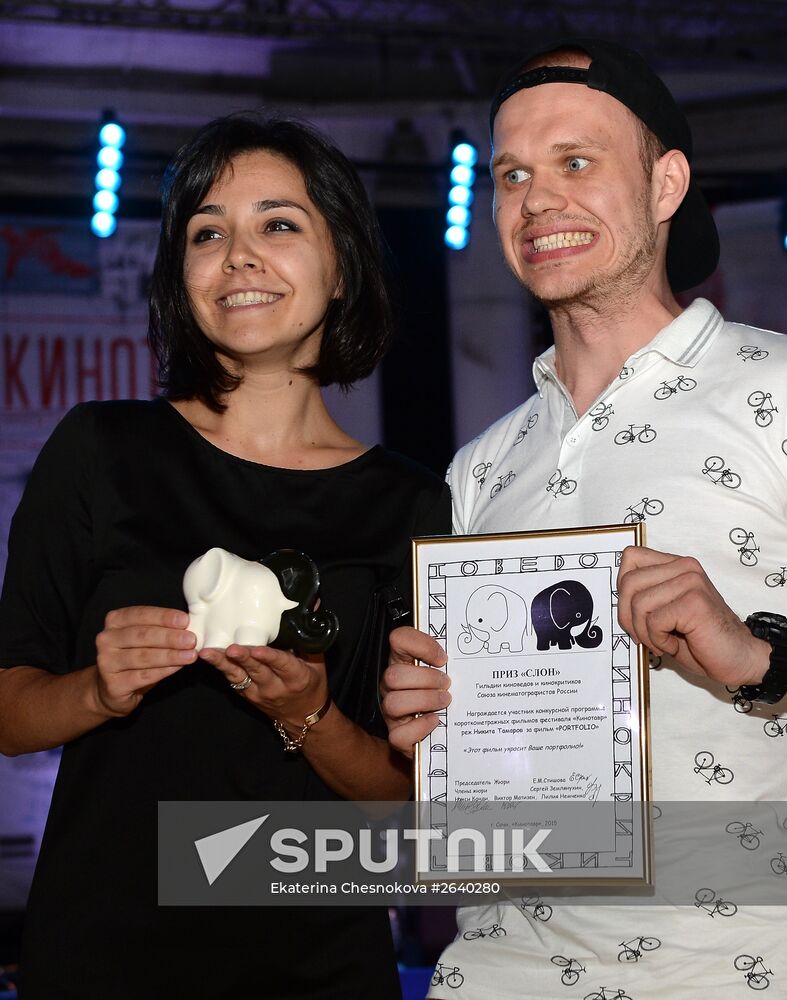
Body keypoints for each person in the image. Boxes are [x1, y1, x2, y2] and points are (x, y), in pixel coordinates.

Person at [0, 113, 451, 998]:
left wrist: (310, 713)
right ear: (182, 275)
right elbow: (10, 714)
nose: (239, 256)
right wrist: (97, 690)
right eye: (207, 234)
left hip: (318, 959)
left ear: (342, 264)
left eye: (278, 224)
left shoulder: (411, 502)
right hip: (110, 952)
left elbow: (402, 804)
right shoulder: (102, 449)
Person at [383, 38, 787, 999]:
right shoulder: (479, 468)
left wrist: (756, 661)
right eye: (512, 175)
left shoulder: (775, 391)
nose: (536, 200)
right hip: (498, 965)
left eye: (575, 161)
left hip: (732, 969)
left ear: (665, 184)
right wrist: (428, 734)